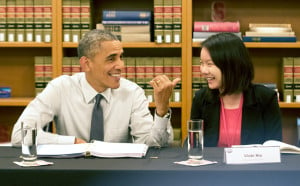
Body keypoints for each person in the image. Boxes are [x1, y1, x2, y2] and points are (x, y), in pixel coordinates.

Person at [11, 29, 180, 147]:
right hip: (71, 174)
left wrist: (161, 110)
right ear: (86, 63)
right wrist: (71, 143)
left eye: (121, 57)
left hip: (118, 176)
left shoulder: (132, 92)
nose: (121, 65)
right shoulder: (60, 88)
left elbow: (152, 145)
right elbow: (20, 135)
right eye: (111, 59)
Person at [190, 32, 282, 147]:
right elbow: (193, 144)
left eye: (209, 64)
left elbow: (274, 147)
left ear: (231, 65)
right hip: (213, 164)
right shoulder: (201, 98)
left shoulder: (266, 98)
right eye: (201, 63)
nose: (203, 70)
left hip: (253, 165)